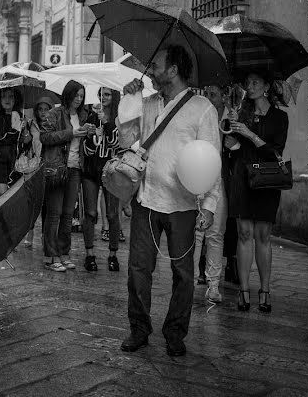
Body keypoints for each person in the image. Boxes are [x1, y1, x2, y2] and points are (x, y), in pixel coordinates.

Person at [118, 45, 221, 358]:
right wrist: (128, 99)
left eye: (157, 64)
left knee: (184, 273)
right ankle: (139, 328)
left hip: (184, 205)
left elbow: (210, 158)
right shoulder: (147, 102)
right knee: (138, 269)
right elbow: (126, 140)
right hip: (146, 199)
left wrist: (209, 204)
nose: (151, 69)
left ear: (174, 69)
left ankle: (175, 332)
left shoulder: (203, 108)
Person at [227, 71, 289, 313]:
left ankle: (264, 290)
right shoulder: (242, 113)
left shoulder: (279, 118)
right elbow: (231, 146)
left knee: (263, 234)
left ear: (266, 86)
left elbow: (275, 153)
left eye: (255, 82)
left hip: (266, 178)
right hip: (242, 176)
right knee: (243, 233)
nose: (249, 86)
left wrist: (249, 134)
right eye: (247, 82)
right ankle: (243, 291)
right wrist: (232, 133)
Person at [40, 80, 92, 272]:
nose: (79, 99)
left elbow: (83, 142)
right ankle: (50, 256)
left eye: (81, 96)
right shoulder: (55, 113)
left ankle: (64, 253)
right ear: (68, 94)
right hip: (57, 168)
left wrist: (90, 133)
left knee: (69, 214)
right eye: (76, 95)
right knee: (54, 213)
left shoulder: (84, 115)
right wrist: (71, 133)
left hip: (75, 168)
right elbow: (45, 137)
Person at [192, 84, 235, 302]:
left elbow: (237, 152)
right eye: (206, 94)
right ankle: (190, 280)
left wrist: (233, 144)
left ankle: (214, 285)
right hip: (199, 180)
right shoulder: (199, 117)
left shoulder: (229, 123)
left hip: (221, 184)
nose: (209, 98)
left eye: (213, 95)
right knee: (197, 233)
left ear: (224, 97)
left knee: (216, 234)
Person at [81, 88, 122, 272]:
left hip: (111, 173)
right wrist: (89, 137)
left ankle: (113, 255)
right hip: (91, 172)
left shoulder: (118, 118)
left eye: (107, 94)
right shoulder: (91, 117)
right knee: (90, 213)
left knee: (112, 215)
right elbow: (88, 151)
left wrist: (106, 123)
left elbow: (115, 143)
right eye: (101, 94)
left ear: (113, 97)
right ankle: (89, 255)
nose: (103, 98)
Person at [22, 96, 53, 248]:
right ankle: (30, 233)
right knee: (32, 202)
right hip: (33, 166)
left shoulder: (54, 124)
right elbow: (25, 143)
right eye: (40, 109)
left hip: (50, 165)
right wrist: (25, 131)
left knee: (46, 202)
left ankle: (44, 235)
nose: (43, 112)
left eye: (46, 109)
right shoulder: (30, 124)